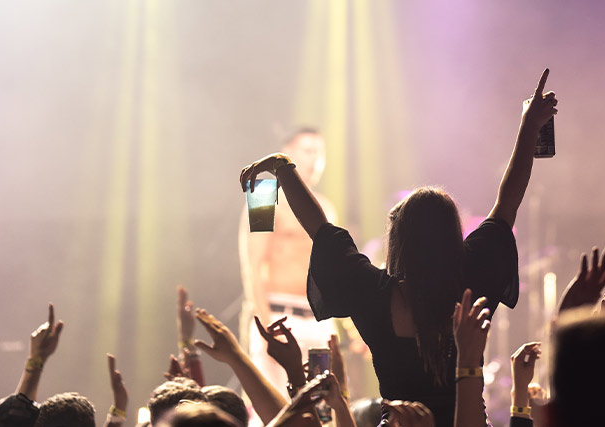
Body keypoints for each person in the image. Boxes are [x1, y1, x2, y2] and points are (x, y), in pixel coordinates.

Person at [238, 68, 557, 426]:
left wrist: (283, 169)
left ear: (398, 239)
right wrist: (530, 128)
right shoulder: (470, 285)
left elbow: (321, 230)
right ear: (454, 234)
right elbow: (507, 203)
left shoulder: (374, 295)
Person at [238, 129, 361, 401]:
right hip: (279, 316)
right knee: (277, 408)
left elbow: (336, 274)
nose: (314, 159)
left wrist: (355, 328)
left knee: (323, 408)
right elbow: (253, 267)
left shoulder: (325, 207)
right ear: (288, 154)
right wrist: (268, 326)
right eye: (307, 151)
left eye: (320, 152)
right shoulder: (264, 197)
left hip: (319, 322)